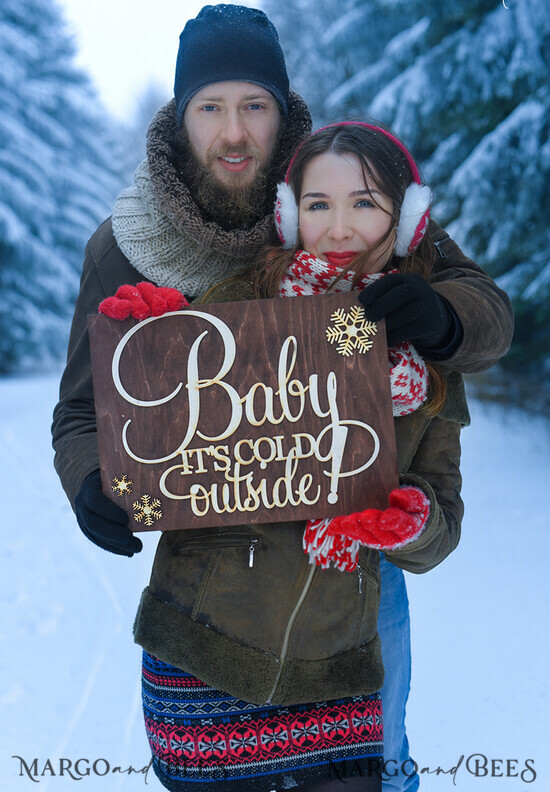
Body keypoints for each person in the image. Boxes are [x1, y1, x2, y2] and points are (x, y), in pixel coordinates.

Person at [51, 5, 513, 792]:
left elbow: (480, 307)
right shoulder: (124, 245)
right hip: (211, 577)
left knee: (382, 764)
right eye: (211, 107)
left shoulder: (332, 198)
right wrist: (91, 482)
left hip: (350, 555)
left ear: (281, 113)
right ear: (180, 118)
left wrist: (440, 315)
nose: (234, 133)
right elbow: (83, 411)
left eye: (254, 106)